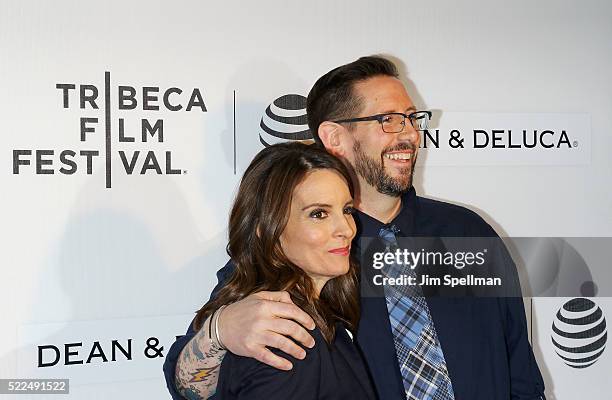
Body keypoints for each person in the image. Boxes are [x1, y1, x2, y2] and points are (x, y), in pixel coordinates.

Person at [164, 56, 546, 399]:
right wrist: (220, 330)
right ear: (334, 137)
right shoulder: (306, 253)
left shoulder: (469, 233)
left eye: (413, 119)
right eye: (389, 120)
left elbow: (521, 376)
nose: (410, 134)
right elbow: (186, 383)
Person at [174, 142, 376, 399]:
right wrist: (217, 330)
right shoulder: (284, 337)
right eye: (318, 214)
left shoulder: (308, 313)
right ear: (267, 228)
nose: (346, 229)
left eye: (347, 210)